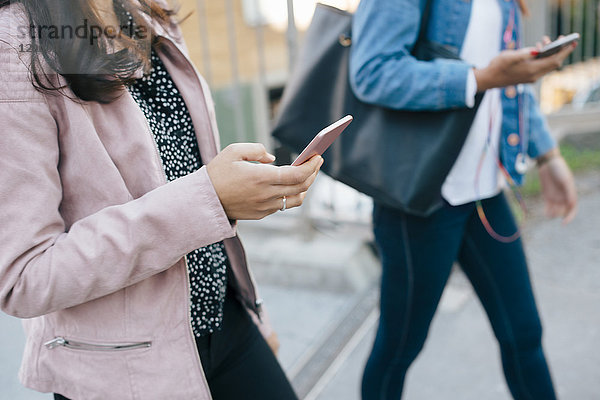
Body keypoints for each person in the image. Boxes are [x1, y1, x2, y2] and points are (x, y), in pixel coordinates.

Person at [0, 1, 323, 399]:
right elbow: (23, 277)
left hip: (226, 320)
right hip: (122, 367)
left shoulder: (141, 10)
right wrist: (210, 199)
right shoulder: (12, 44)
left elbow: (189, 166)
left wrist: (259, 318)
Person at [350, 0, 578, 399]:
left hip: (483, 193)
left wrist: (548, 154)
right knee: (399, 348)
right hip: (419, 198)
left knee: (523, 333)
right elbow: (372, 72)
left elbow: (511, 85)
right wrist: (479, 77)